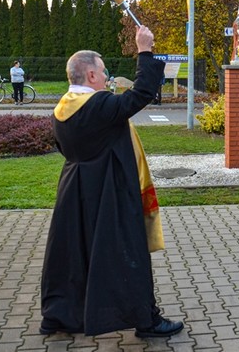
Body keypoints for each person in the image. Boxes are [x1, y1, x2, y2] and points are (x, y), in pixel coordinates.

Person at [40, 25, 184, 338]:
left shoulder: (61, 109)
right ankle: (147, 320)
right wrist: (144, 50)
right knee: (127, 252)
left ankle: (60, 316)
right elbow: (142, 95)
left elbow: (65, 149)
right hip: (110, 192)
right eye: (103, 72)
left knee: (74, 255)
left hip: (75, 191)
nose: (107, 78)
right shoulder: (99, 106)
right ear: (90, 75)